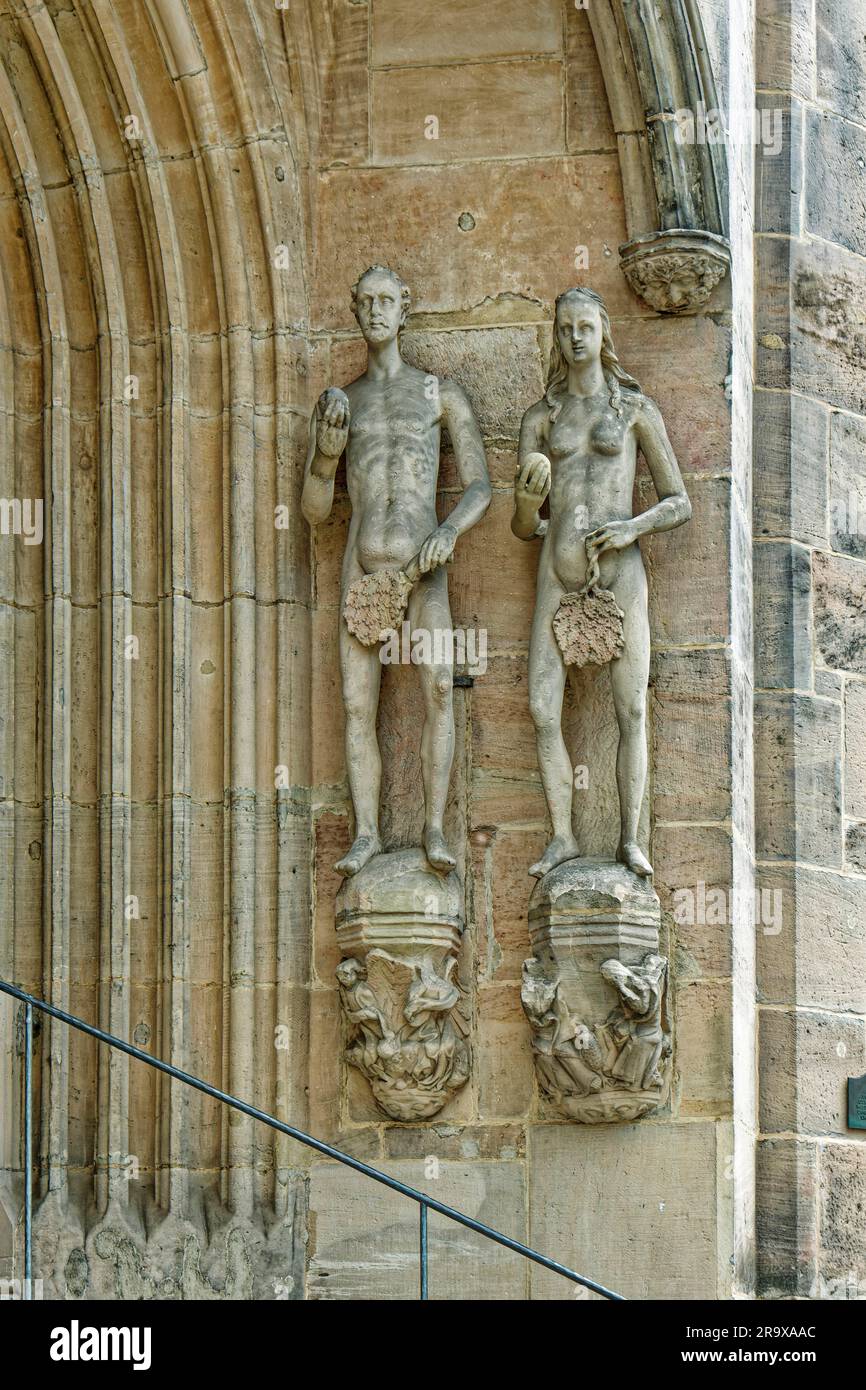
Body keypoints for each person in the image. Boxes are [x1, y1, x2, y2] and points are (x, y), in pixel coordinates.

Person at [302, 266, 491, 876]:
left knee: (437, 685)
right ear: (354, 310)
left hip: (422, 564)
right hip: (362, 563)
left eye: (387, 301)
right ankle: (366, 832)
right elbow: (314, 510)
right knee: (359, 704)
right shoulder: (343, 402)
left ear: (405, 308)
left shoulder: (439, 393)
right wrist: (326, 456)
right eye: (366, 302)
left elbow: (481, 487)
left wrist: (447, 531)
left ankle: (434, 827)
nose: (376, 311)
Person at [512, 287, 691, 879]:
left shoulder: (634, 410)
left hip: (620, 573)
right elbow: (524, 527)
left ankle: (629, 837)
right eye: (564, 328)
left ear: (603, 330)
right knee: (542, 707)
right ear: (556, 336)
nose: (575, 337)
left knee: (631, 709)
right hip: (557, 573)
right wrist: (525, 502)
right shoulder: (541, 419)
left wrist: (630, 528)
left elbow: (678, 501)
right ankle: (562, 834)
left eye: (585, 326)